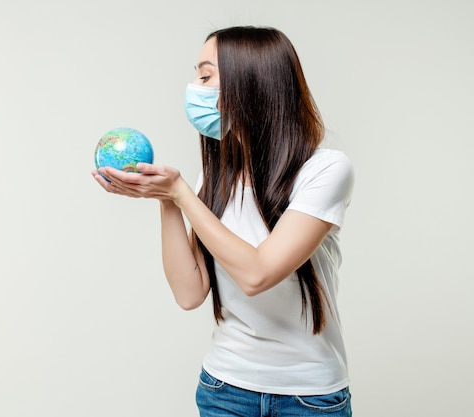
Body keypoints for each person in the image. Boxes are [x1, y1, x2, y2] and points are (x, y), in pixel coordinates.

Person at [92, 25, 354, 417]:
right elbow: (189, 293)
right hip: (224, 389)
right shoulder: (216, 177)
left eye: (206, 75)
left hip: (310, 397)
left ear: (251, 82)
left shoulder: (326, 170)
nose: (194, 88)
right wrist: (167, 201)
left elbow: (258, 274)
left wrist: (181, 193)